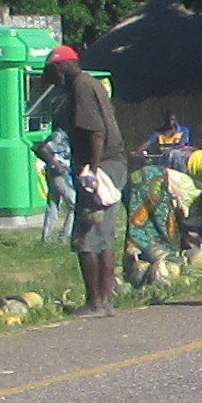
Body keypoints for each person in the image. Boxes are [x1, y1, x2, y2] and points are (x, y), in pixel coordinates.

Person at [67, 70, 126, 314]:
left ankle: (94, 302)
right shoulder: (94, 84)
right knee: (104, 237)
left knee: (88, 237)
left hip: (99, 171)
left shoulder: (80, 86)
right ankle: (106, 300)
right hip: (113, 168)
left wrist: (91, 170)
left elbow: (96, 131)